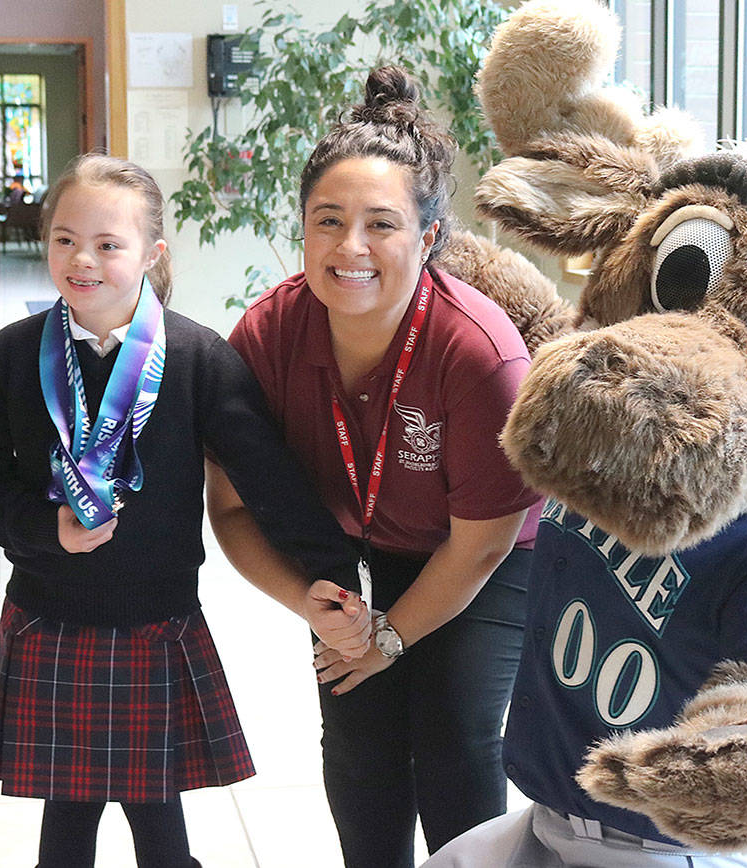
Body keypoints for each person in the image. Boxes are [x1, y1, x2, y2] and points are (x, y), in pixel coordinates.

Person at [0, 152, 366, 868]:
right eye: (64, 239)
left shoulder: (198, 358)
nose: (83, 259)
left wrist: (332, 571)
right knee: (67, 821)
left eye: (109, 244)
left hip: (154, 621)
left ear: (152, 254)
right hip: (49, 613)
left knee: (159, 826)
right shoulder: (17, 353)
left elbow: (267, 477)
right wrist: (44, 529)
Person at [207, 66, 542, 868]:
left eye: (381, 225)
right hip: (360, 548)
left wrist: (390, 637)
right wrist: (310, 604)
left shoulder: (481, 355)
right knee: (358, 736)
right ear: (301, 229)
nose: (350, 248)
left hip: (485, 557)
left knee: (454, 736)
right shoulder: (266, 336)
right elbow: (234, 509)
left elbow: (482, 546)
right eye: (328, 220)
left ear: (428, 238)